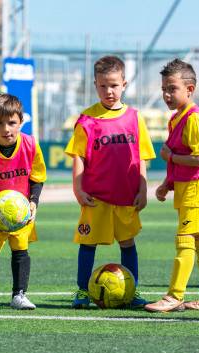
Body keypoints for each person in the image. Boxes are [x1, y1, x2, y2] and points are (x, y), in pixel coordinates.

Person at [65, 55, 155, 309]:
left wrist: (143, 189)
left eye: (114, 85)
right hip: (96, 197)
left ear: (124, 84)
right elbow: (79, 156)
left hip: (126, 195)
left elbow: (142, 158)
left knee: (128, 243)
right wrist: (78, 188)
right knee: (88, 242)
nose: (109, 91)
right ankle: (83, 291)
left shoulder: (135, 118)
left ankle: (132, 290)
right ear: (95, 85)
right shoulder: (86, 120)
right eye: (103, 85)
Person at [145, 59, 199, 312]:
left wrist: (169, 157)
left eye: (172, 88)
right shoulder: (178, 118)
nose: (166, 94)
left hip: (197, 190)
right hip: (192, 190)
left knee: (184, 241)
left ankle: (174, 296)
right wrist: (167, 183)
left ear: (189, 90)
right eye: (164, 89)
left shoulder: (193, 118)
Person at [0, 94, 47, 311]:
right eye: (0, 123)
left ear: (21, 121)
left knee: (20, 250)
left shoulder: (31, 145)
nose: (6, 129)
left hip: (22, 213)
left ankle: (19, 295)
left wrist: (34, 202)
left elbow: (37, 178)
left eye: (12, 123)